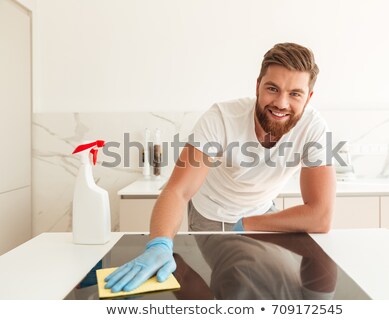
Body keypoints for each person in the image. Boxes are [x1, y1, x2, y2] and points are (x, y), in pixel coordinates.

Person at [105, 42, 336, 293]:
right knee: (233, 289)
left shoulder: (313, 128)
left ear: (308, 97)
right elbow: (178, 191)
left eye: (295, 94)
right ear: (257, 86)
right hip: (212, 215)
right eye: (272, 88)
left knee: (270, 287)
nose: (281, 103)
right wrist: (159, 244)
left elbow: (320, 216)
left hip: (262, 212)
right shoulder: (222, 119)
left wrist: (248, 223)